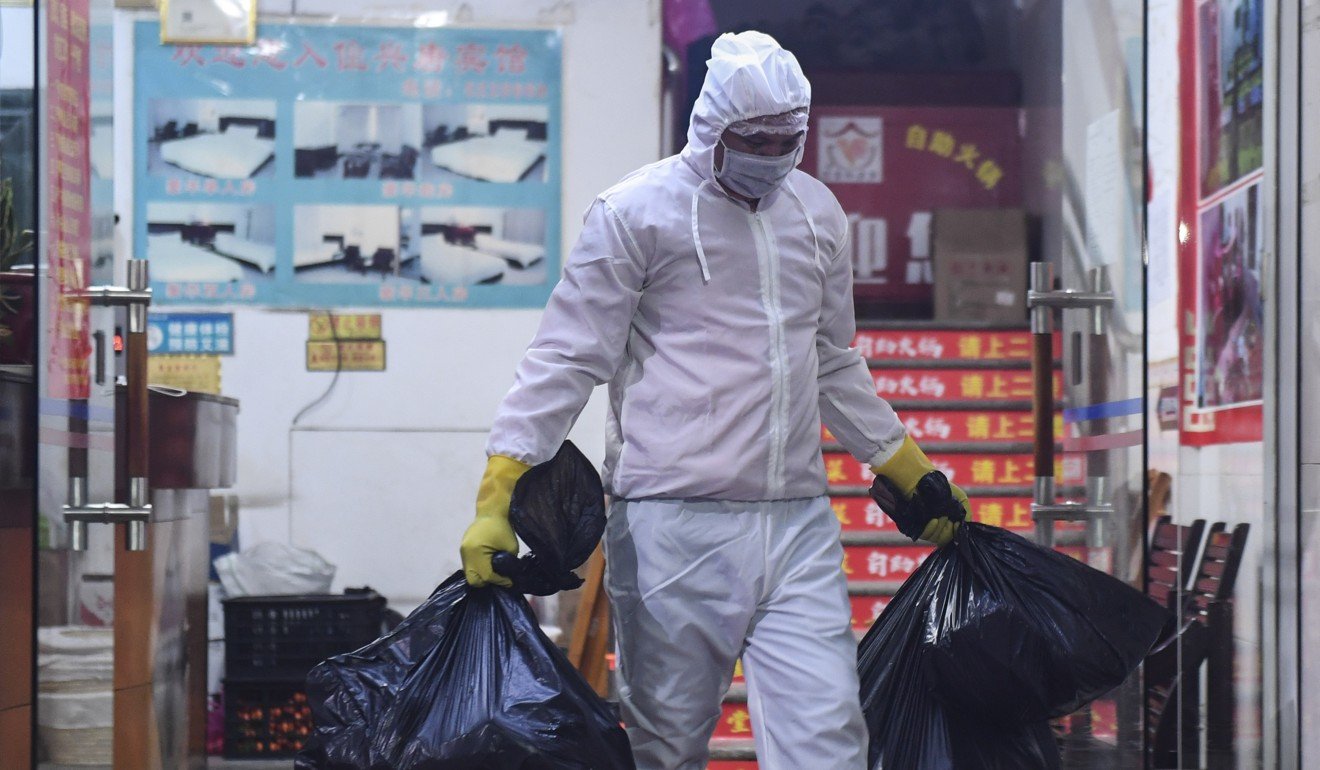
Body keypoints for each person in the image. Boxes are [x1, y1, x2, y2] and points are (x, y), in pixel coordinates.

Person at [460, 30, 970, 770]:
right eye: (753, 138)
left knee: (829, 743)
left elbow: (831, 360)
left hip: (796, 522)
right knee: (669, 747)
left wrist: (902, 462)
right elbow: (567, 356)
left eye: (787, 137)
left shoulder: (818, 215)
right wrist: (499, 488)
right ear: (710, 129)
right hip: (672, 525)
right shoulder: (635, 214)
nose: (771, 152)